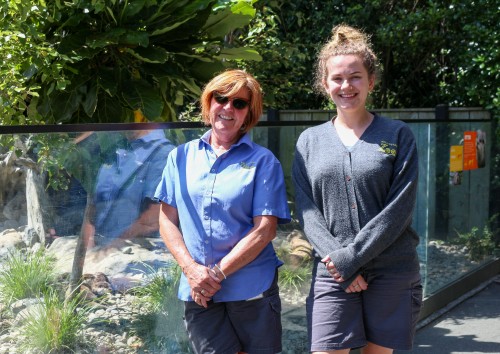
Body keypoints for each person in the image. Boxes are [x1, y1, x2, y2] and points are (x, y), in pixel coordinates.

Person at [292, 25, 423, 354]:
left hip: (392, 269)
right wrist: (341, 264)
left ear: (371, 82)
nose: (346, 85)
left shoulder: (397, 135)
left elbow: (399, 210)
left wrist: (352, 258)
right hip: (333, 270)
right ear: (325, 84)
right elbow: (307, 211)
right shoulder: (309, 141)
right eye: (337, 78)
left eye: (355, 77)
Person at [154, 69, 290, 354]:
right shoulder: (179, 157)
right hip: (199, 292)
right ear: (209, 102)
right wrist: (192, 271)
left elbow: (265, 229)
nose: (228, 107)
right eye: (222, 98)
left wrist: (214, 275)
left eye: (239, 103)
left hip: (251, 289)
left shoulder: (263, 162)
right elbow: (166, 219)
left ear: (248, 114)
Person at [83, 129, 174, 249]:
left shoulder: (164, 153)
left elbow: (153, 220)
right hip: (101, 254)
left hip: (138, 257)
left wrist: (110, 248)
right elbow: (93, 206)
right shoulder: (114, 147)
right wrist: (88, 249)